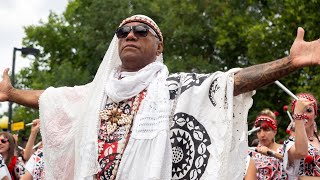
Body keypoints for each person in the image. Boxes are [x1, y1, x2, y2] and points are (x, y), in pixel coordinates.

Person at [0, 14, 319, 179]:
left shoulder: (175, 87)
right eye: (123, 32)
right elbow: (54, 97)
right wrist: (12, 93)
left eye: (141, 31)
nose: (130, 36)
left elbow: (229, 82)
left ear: (159, 46)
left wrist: (289, 63)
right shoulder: (97, 94)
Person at [283, 93, 320, 179]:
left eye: (309, 110)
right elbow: (302, 152)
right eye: (300, 111)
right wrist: (298, 117)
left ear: (315, 115)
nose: (304, 115)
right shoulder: (290, 144)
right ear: (294, 115)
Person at [248, 109, 287, 179]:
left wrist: (270, 152)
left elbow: (294, 163)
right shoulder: (251, 152)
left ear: (275, 132)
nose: (262, 134)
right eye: (259, 131)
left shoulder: (284, 150)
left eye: (266, 130)